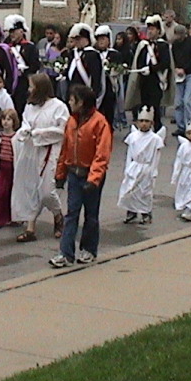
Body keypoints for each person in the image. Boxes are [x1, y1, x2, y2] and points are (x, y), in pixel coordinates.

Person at [49, 83, 112, 268]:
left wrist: (94, 179)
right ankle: (65, 253)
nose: (69, 102)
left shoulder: (99, 122)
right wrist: (60, 173)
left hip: (90, 175)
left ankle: (89, 249)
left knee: (91, 215)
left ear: (81, 102)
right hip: (74, 174)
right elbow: (65, 149)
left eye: (72, 99)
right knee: (72, 213)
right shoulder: (71, 121)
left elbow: (102, 154)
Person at [11, 72, 69, 244]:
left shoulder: (59, 107)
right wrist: (24, 131)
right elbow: (25, 123)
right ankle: (30, 228)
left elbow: (62, 131)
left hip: (49, 151)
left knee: (46, 192)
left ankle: (58, 215)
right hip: (31, 151)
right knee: (30, 187)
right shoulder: (30, 106)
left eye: (32, 87)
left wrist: (39, 133)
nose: (29, 90)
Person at [117, 105, 163, 225]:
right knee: (130, 190)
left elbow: (156, 157)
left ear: (151, 123)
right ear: (137, 122)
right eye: (141, 121)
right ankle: (131, 212)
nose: (143, 124)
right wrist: (128, 168)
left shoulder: (154, 139)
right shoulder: (133, 137)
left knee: (144, 192)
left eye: (146, 121)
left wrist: (153, 171)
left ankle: (145, 213)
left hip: (146, 168)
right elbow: (129, 154)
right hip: (134, 167)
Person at [132, 14, 171, 133]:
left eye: (152, 29)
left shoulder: (163, 46)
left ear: (158, 30)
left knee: (155, 108)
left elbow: (165, 63)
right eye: (148, 29)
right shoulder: (144, 45)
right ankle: (144, 129)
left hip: (156, 81)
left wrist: (151, 69)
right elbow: (139, 60)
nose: (149, 31)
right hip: (144, 81)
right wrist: (141, 69)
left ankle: (157, 130)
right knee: (144, 106)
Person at [63, 22, 106, 117]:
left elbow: (96, 77)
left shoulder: (93, 55)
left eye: (78, 39)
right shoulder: (73, 53)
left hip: (84, 92)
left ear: (86, 39)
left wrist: (94, 95)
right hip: (72, 91)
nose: (76, 42)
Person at [4, 14, 40, 115]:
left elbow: (35, 66)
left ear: (21, 31)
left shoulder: (30, 47)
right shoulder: (6, 46)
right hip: (9, 83)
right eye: (10, 32)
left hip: (23, 85)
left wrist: (24, 69)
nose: (11, 34)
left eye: (14, 31)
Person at [172, 20, 191, 132]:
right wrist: (176, 68)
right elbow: (174, 57)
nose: (177, 37)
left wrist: (184, 69)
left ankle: (189, 126)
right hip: (179, 74)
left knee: (187, 101)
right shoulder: (175, 44)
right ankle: (180, 126)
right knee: (178, 102)